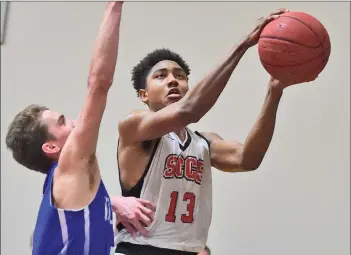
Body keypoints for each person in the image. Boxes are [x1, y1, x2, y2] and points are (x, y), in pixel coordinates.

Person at [114, 8, 313, 255]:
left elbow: (248, 159)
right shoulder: (134, 126)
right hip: (140, 248)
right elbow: (190, 110)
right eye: (161, 76)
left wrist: (274, 91)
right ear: (144, 95)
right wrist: (243, 45)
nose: (173, 80)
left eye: (180, 75)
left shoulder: (203, 143)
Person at [5, 2, 155, 255]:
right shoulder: (71, 165)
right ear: (51, 146)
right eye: (63, 122)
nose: (74, 122)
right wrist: (114, 5)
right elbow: (99, 83)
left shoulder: (65, 186)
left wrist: (111, 202)